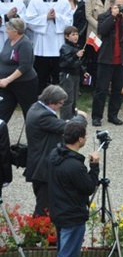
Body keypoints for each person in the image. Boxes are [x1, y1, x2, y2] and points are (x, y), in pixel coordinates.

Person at [24, 85, 87, 216]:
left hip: (38, 161)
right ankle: (39, 234)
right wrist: (81, 118)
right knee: (44, 207)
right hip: (42, 168)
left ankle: (43, 232)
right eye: (60, 103)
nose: (61, 106)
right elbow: (67, 127)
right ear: (51, 102)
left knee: (46, 203)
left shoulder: (36, 107)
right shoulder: (43, 116)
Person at [48, 122, 99, 257]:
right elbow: (89, 187)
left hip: (58, 212)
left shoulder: (54, 155)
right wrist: (94, 166)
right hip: (73, 216)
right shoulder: (74, 166)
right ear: (80, 139)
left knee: (63, 254)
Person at [91, 0, 123, 127]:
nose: (121, 7)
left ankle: (113, 115)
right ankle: (96, 116)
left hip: (122, 60)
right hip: (106, 59)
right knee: (101, 89)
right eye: (118, 5)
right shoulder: (104, 16)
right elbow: (101, 30)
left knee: (117, 90)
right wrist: (112, 17)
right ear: (112, 5)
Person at [25, 0, 74, 93]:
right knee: (41, 74)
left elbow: (69, 21)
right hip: (42, 43)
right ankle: (40, 96)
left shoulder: (63, 1)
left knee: (58, 73)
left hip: (57, 42)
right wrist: (45, 18)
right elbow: (29, 20)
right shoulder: (35, 1)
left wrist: (57, 16)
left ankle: (59, 97)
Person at [0, 18, 38, 122]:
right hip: (6, 85)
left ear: (15, 31)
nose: (6, 31)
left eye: (8, 29)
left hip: (24, 84)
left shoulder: (24, 44)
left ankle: (33, 136)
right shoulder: (9, 40)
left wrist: (8, 79)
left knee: (29, 112)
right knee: (2, 110)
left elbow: (24, 66)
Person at [58, 26, 86, 121]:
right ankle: (65, 121)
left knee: (74, 100)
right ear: (66, 36)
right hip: (67, 75)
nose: (76, 36)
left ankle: (72, 118)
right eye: (73, 34)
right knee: (67, 100)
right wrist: (75, 56)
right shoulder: (65, 48)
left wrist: (84, 71)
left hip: (75, 75)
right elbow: (64, 63)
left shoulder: (76, 47)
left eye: (77, 34)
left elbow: (78, 63)